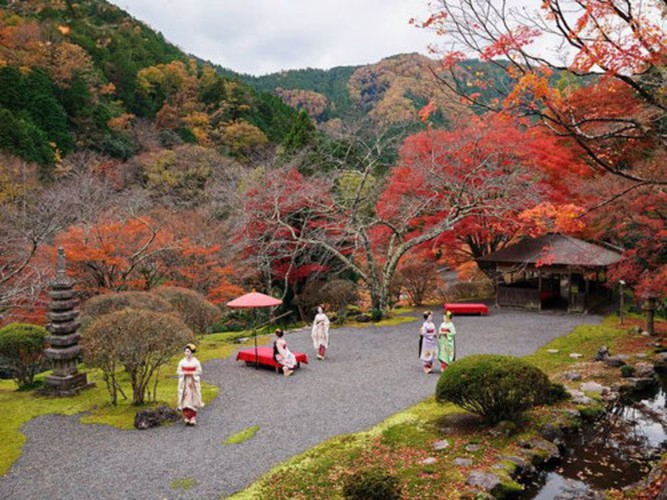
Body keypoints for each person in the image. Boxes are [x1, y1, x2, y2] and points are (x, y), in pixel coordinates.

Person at [177, 343, 204, 426]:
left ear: (192, 352)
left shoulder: (196, 362)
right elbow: (178, 371)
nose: (187, 353)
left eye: (188, 351)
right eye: (185, 351)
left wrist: (192, 373)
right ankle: (186, 417)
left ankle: (192, 417)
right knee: (185, 398)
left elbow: (199, 371)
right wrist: (184, 373)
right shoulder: (182, 361)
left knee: (192, 398)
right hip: (184, 381)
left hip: (192, 381)